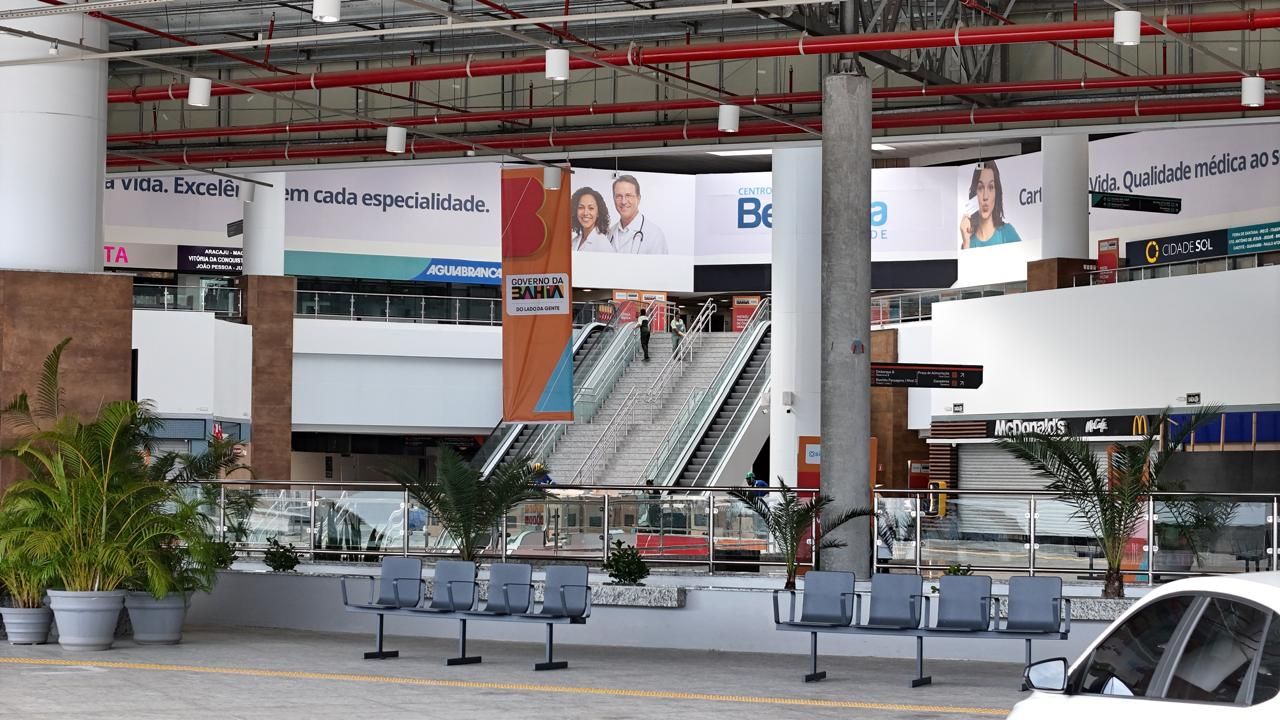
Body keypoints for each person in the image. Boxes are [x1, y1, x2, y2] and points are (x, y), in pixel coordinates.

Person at [959, 160, 1022, 249]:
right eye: (980, 188)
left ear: (997, 192)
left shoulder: (1007, 233)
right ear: (974, 193)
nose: (985, 196)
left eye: (991, 187)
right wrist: (966, 242)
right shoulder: (968, 242)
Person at [608, 174, 669, 254]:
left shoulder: (654, 235)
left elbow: (660, 266)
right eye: (619, 196)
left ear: (638, 198)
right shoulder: (609, 234)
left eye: (628, 195)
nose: (623, 201)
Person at [570, 186, 612, 252]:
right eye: (581, 207)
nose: (585, 213)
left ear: (598, 213)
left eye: (591, 208)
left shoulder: (603, 245)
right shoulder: (574, 241)